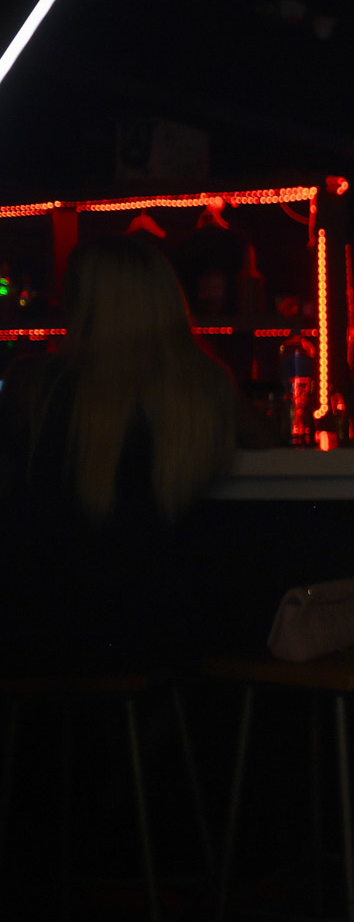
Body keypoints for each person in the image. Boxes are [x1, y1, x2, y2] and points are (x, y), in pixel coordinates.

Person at [0, 235, 243, 671]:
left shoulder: (36, 386)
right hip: (168, 625)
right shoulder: (204, 387)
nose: (61, 302)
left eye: (71, 290)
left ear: (89, 304)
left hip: (42, 626)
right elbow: (270, 440)